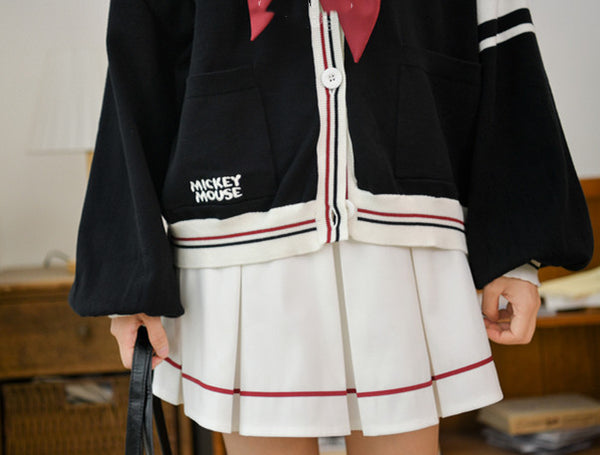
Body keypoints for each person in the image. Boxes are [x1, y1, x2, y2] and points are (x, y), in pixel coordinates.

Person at [70, 1, 593, 454]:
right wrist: (130, 283)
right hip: (242, 247)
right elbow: (137, 68)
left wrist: (517, 253)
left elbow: (498, 45)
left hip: (405, 235)